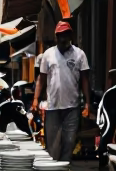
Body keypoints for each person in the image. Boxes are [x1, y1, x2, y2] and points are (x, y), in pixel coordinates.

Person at [31, 21, 91, 161]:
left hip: (72, 107)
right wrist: (35, 99)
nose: (63, 38)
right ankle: (54, 170)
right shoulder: (48, 55)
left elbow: (85, 80)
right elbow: (41, 79)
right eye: (60, 35)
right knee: (53, 145)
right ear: (56, 37)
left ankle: (64, 168)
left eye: (65, 35)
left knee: (69, 142)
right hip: (53, 107)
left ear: (70, 36)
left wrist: (88, 103)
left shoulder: (79, 54)